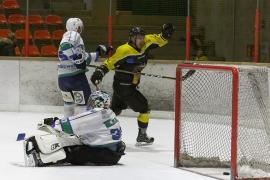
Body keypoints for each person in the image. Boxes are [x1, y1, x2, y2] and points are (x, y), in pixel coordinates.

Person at [90, 24, 174, 146]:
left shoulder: (147, 42)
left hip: (124, 86)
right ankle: (142, 135)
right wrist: (99, 72)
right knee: (144, 107)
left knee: (115, 110)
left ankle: (97, 131)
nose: (141, 40)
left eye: (142, 37)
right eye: (138, 38)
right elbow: (110, 63)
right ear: (132, 39)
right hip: (125, 87)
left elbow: (160, 39)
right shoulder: (124, 50)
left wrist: (165, 35)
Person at [23, 91, 125, 167]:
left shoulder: (97, 113)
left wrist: (54, 123)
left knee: (67, 151)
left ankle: (39, 160)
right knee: (73, 143)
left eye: (91, 101)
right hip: (113, 154)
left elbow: (69, 126)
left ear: (95, 102)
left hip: (102, 154)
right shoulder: (110, 113)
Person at [58, 17, 112, 118]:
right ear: (75, 27)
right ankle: (81, 129)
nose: (80, 29)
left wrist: (98, 53)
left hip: (63, 79)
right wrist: (77, 60)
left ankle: (67, 127)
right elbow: (65, 46)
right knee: (82, 105)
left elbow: (84, 58)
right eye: (79, 27)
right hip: (76, 78)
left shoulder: (73, 41)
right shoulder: (73, 34)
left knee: (69, 104)